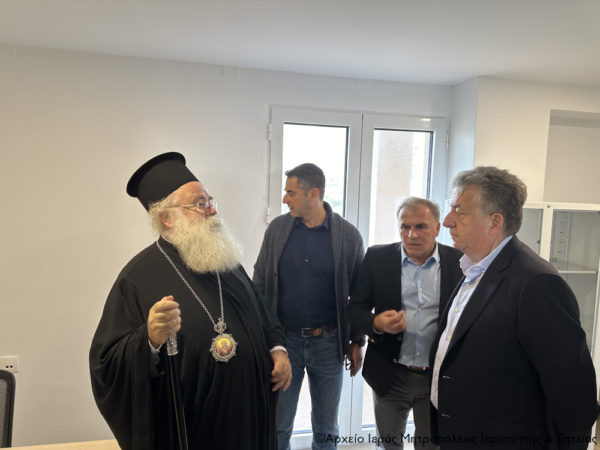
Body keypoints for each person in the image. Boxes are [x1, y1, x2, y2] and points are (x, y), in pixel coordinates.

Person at [89, 152, 291, 450]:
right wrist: (149, 339)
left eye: (211, 201)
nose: (212, 210)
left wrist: (278, 349)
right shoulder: (137, 278)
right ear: (167, 218)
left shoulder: (226, 261)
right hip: (192, 427)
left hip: (249, 415)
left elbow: (261, 312)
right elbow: (106, 366)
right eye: (200, 204)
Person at [430, 166, 599, 449]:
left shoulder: (536, 282)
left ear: (494, 222)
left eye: (459, 210)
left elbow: (572, 391)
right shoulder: (474, 269)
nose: (447, 221)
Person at [253, 163, 365, 450]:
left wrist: (357, 341)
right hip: (284, 342)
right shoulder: (278, 229)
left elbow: (359, 295)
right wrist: (264, 338)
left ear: (313, 194)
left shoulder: (349, 237)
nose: (284, 199)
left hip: (328, 343)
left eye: (291, 193)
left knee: (326, 428)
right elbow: (261, 282)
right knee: (278, 424)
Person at [348, 198, 462, 450]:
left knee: (430, 446)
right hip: (390, 373)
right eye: (405, 227)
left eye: (420, 226)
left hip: (437, 377)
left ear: (437, 228)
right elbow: (355, 308)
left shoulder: (460, 261)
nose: (412, 235)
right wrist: (376, 323)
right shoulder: (377, 258)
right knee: (388, 445)